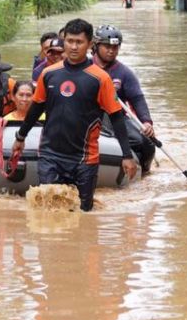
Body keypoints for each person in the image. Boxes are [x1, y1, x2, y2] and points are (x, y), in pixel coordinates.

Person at [14, 18, 138, 211]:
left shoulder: (101, 78)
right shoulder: (48, 74)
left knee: (84, 214)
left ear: (90, 45)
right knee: (49, 211)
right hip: (50, 155)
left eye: (79, 42)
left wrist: (126, 155)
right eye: (69, 41)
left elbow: (116, 116)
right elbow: (36, 108)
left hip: (84, 159)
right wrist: (20, 137)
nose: (73, 46)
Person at [91, 24, 156, 175]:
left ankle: (143, 172)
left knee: (145, 143)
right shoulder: (85, 67)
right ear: (96, 45)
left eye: (115, 47)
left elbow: (137, 99)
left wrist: (146, 121)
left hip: (116, 117)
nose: (111, 51)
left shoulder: (124, 73)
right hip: (89, 115)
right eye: (106, 46)